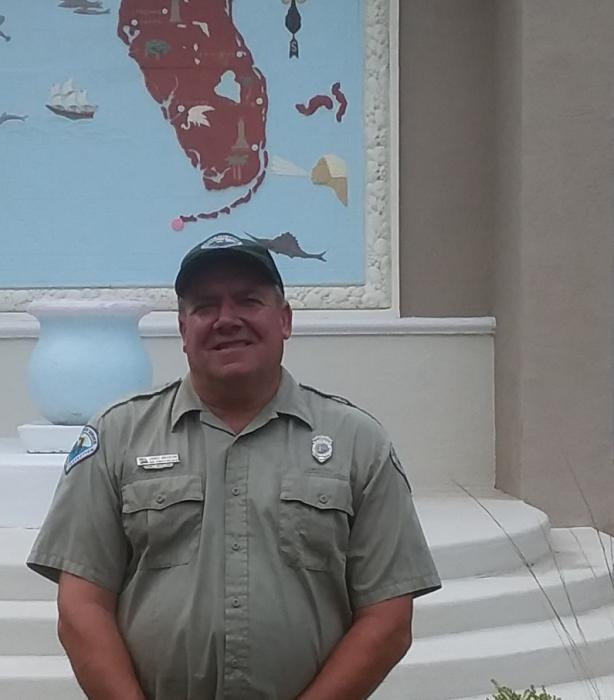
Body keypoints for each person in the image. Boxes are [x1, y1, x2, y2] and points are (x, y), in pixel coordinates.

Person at [27, 232, 441, 699]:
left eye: (248, 300)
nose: (227, 319)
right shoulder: (117, 435)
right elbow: (82, 608)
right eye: (205, 306)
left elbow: (388, 618)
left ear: (284, 320)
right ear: (184, 330)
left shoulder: (357, 441)